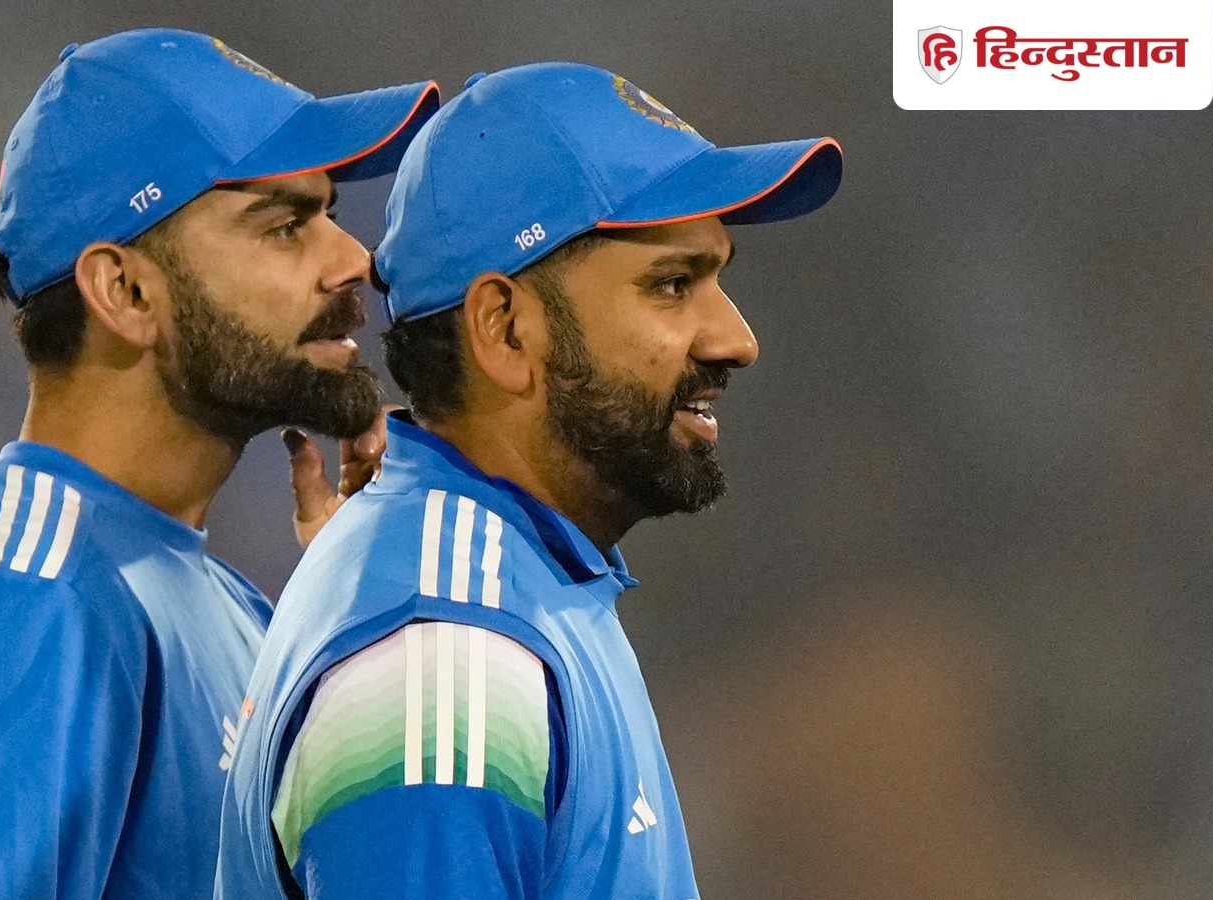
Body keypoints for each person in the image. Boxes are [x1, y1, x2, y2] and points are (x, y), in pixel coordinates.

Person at [0, 28, 439, 899]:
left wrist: (351, 635)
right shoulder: (26, 606)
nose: (354, 260)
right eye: (284, 227)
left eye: (330, 216)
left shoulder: (216, 598)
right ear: (125, 291)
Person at [216, 63, 842, 898]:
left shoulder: (520, 583)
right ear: (505, 330)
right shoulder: (448, 664)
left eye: (717, 280)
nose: (736, 339)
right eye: (673, 285)